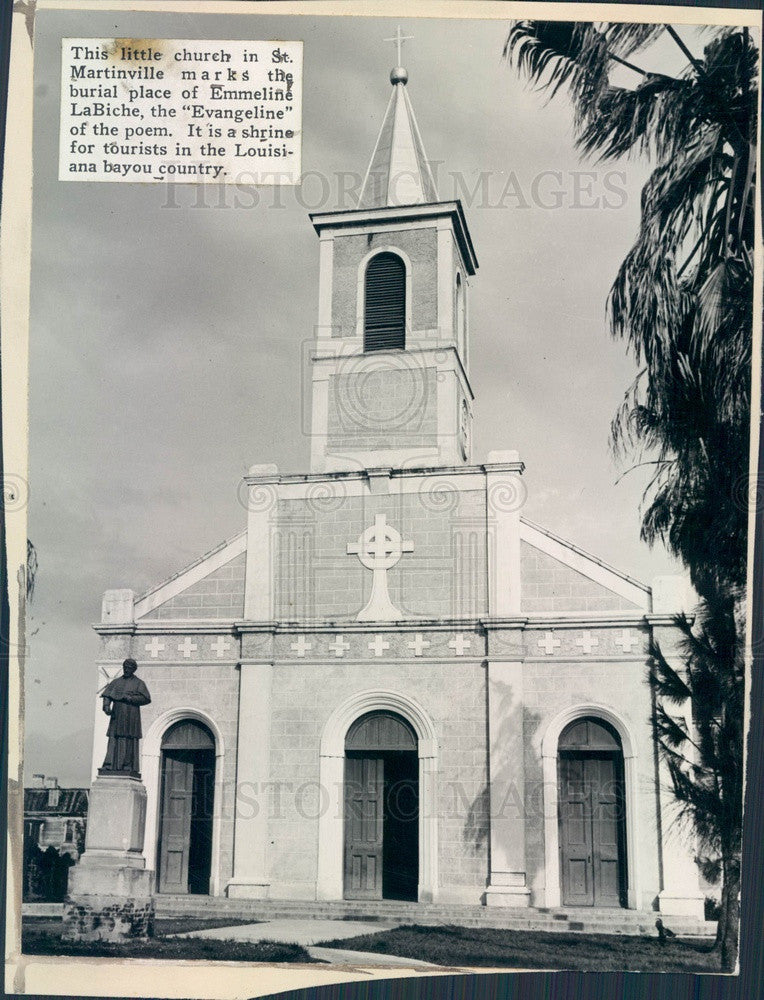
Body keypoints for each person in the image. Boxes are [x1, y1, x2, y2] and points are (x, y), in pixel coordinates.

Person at [99, 657, 151, 776]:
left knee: (128, 739)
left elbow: (146, 698)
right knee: (113, 738)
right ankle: (109, 765)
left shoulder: (139, 683)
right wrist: (106, 706)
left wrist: (131, 698)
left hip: (131, 716)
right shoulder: (116, 682)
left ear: (133, 669)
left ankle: (127, 765)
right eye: (124, 667)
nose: (126, 670)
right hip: (117, 715)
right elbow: (107, 695)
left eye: (129, 668)